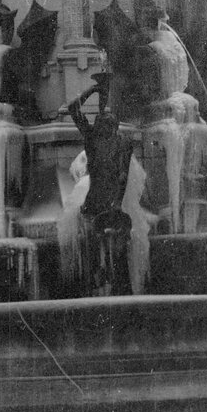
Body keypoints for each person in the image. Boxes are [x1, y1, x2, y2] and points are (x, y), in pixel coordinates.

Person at [67, 74, 133, 293]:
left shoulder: (115, 142)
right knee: (104, 256)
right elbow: (73, 109)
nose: (106, 124)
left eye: (108, 121)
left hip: (104, 204)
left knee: (106, 256)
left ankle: (103, 285)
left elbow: (73, 108)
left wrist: (94, 91)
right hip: (101, 204)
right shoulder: (95, 140)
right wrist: (94, 90)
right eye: (103, 121)